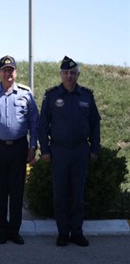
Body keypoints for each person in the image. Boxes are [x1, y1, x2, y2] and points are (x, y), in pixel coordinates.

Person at [38, 56, 101, 247]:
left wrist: (94, 149)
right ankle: (63, 233)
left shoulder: (86, 96)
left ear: (78, 74)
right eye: (65, 72)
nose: (69, 76)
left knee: (78, 195)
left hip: (81, 151)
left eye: (73, 73)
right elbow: (43, 126)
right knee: (61, 194)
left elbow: (95, 125)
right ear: (61, 75)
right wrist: (45, 150)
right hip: (59, 151)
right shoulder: (51, 96)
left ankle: (77, 232)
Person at [0, 56, 39, 245]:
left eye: (11, 70)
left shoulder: (26, 93)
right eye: (4, 70)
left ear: (16, 73)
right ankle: (2, 230)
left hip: (19, 147)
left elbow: (34, 122)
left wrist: (33, 146)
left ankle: (14, 230)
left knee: (16, 190)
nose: (8, 73)